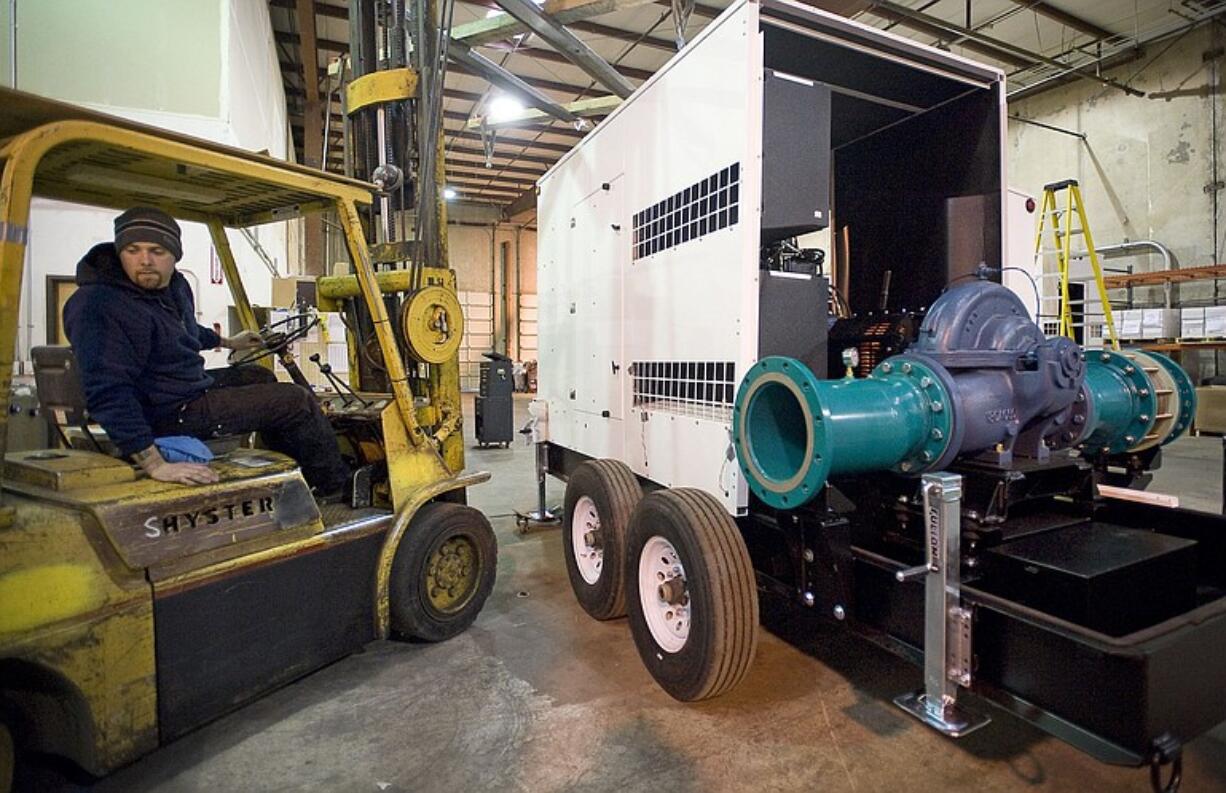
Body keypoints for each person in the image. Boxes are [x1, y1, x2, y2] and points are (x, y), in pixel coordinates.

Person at [63, 207, 351, 497]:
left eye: (157, 250)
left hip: (181, 392)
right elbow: (107, 390)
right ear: (119, 251)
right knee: (296, 401)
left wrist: (227, 342)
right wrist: (154, 464)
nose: (145, 261)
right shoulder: (99, 305)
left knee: (258, 375)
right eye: (133, 250)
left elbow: (182, 331)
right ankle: (334, 488)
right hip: (165, 411)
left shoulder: (171, 287)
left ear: (175, 255)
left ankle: (291, 470)